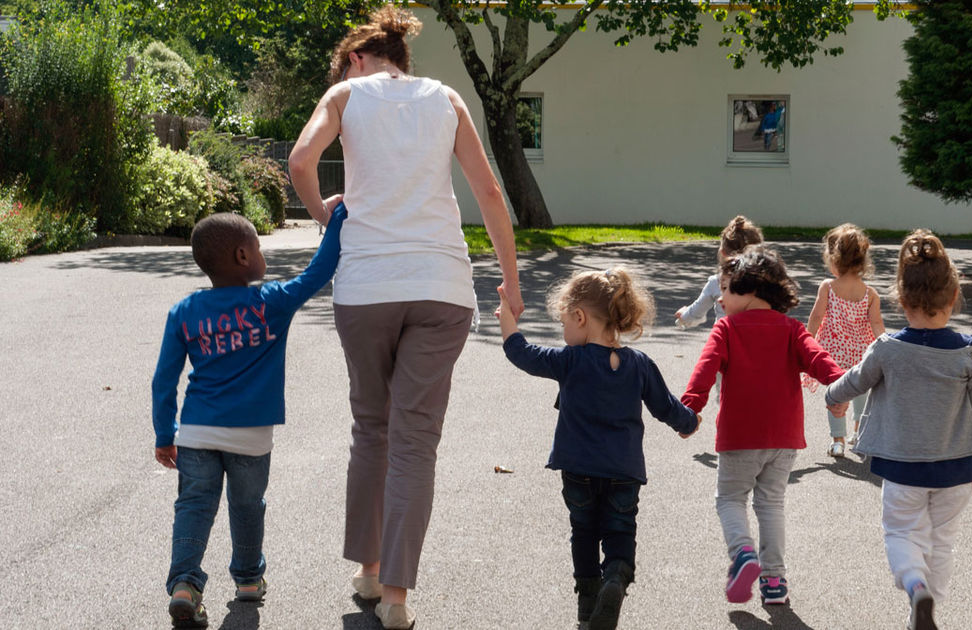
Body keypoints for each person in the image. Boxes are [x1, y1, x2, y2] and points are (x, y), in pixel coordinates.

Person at [286, 7, 522, 629]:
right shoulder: (445, 99)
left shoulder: (343, 95)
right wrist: (512, 281)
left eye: (344, 65)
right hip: (441, 286)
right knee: (415, 439)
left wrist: (320, 214)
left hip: (365, 286)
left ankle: (365, 572)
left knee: (372, 427)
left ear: (358, 59)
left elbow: (301, 162)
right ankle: (395, 599)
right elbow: (491, 192)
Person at [152, 204, 347, 628]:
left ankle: (184, 584)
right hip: (252, 437)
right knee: (246, 506)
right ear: (243, 256)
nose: (263, 254)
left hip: (197, 433)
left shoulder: (184, 311)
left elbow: (163, 381)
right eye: (258, 246)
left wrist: (164, 434)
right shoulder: (270, 303)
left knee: (194, 507)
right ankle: (247, 580)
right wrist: (339, 218)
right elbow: (319, 271)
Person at [497, 268, 700, 630]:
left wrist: (508, 321)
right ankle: (616, 579)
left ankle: (587, 608)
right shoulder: (639, 364)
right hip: (624, 473)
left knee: (584, 532)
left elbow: (522, 354)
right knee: (621, 531)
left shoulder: (570, 360)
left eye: (564, 323)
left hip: (578, 470)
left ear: (580, 317)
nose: (564, 332)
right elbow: (666, 407)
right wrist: (689, 424)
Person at [824, 230, 972, 630]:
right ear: (953, 298)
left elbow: (855, 380)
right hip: (957, 470)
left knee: (902, 531)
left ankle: (915, 586)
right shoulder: (969, 353)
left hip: (904, 468)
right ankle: (925, 606)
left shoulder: (887, 348)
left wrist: (832, 394)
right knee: (942, 541)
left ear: (900, 299)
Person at [680, 246, 844, 607]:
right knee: (771, 505)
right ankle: (774, 581)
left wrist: (689, 410)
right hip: (783, 438)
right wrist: (841, 387)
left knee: (730, 499)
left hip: (739, 436)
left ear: (750, 289)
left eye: (726, 290)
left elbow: (704, 370)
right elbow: (819, 359)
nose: (720, 300)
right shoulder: (791, 329)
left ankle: (742, 555)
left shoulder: (727, 328)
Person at [803, 223, 885, 457]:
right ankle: (859, 433)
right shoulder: (870, 294)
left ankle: (837, 441)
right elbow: (877, 325)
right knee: (861, 392)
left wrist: (806, 341)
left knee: (835, 394)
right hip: (861, 354)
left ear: (833, 259)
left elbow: (817, 316)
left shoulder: (828, 287)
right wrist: (887, 348)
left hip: (833, 356)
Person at [674, 215, 763, 329]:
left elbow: (696, 313)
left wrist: (684, 315)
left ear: (723, 252)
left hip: (725, 340)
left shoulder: (718, 282)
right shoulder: (767, 281)